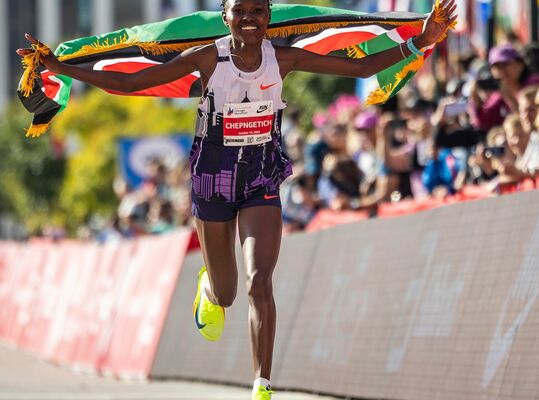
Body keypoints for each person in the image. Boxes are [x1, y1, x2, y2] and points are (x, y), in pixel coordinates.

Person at [16, 1, 456, 399]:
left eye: (258, 10)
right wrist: (63, 68)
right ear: (225, 17)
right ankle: (208, 286)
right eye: (239, 10)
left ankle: (262, 385)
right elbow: (135, 81)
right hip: (213, 180)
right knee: (226, 295)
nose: (250, 18)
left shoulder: (282, 59)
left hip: (261, 176)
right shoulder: (208, 57)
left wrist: (419, 42)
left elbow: (359, 70)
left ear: (269, 18)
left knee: (259, 281)